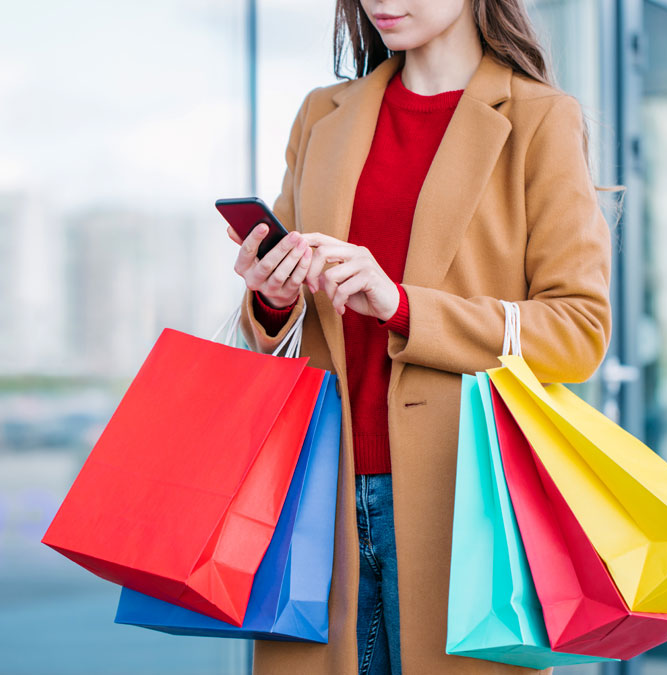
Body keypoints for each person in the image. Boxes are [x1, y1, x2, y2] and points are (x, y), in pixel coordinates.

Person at [228, 1, 612, 673]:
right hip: (319, 496)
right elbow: (279, 326)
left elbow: (577, 330)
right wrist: (273, 294)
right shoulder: (323, 116)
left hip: (464, 504)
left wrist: (404, 306)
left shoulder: (540, 118)